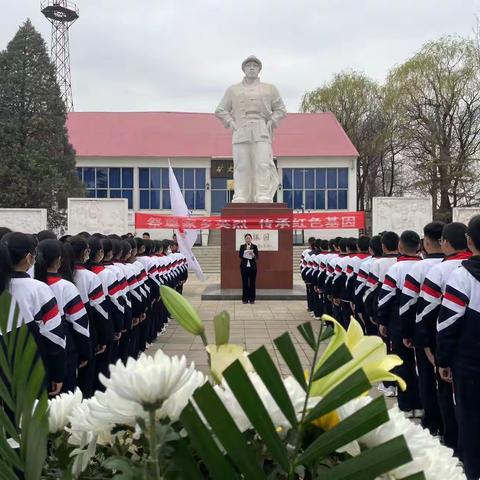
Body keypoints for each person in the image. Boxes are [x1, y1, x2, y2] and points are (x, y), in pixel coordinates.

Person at [416, 222, 470, 454]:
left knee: (449, 395)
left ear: (444, 243)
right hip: (471, 343)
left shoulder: (440, 271)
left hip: (450, 343)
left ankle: (453, 443)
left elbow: (426, 312)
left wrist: (426, 344)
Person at [437, 215, 480, 480]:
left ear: (470, 241)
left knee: (470, 418)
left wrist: (443, 361)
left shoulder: (462, 276)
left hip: (470, 364)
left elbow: (447, 325)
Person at [0, 232, 66, 396]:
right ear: (29, 258)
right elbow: (54, 336)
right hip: (29, 371)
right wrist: (58, 373)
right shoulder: (39, 289)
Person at [215, 55, 287, 203]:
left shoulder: (270, 89)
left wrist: (271, 121)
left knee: (262, 163)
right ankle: (241, 194)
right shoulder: (233, 90)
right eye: (249, 65)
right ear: (244, 69)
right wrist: (231, 122)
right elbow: (220, 110)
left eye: (255, 65)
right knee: (241, 165)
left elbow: (281, 109)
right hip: (241, 130)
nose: (252, 68)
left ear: (259, 69)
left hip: (261, 130)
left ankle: (262, 194)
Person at [399, 221, 445, 435]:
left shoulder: (420, 267)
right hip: (451, 332)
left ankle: (432, 422)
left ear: (426, 242)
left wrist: (406, 333)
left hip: (425, 330)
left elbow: (408, 304)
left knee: (426, 376)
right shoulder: (458, 266)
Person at [34, 239, 91, 393]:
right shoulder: (66, 287)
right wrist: (85, 352)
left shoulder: (31, 285)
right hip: (64, 348)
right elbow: (80, 324)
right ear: (59, 260)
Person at [377, 230, 423, 417]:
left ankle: (406, 405)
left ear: (400, 247)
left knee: (403, 363)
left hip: (398, 321)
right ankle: (420, 406)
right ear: (419, 246)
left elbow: (385, 298)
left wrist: (382, 320)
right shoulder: (427, 266)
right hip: (421, 322)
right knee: (420, 365)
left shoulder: (396, 269)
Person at [239, 233, 258, 304]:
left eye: (249, 238)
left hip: (252, 268)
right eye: (246, 238)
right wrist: (245, 253)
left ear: (251, 239)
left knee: (252, 283)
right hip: (244, 267)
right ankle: (245, 299)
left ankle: (252, 299)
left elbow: (257, 257)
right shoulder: (242, 246)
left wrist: (253, 255)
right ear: (245, 239)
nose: (248, 239)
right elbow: (240, 255)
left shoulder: (254, 246)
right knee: (245, 283)